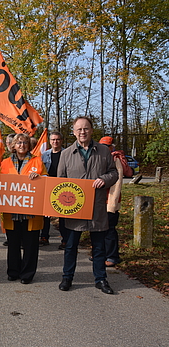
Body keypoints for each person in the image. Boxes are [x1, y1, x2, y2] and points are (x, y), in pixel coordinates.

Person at [57, 116, 118, 294]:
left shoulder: (104, 151)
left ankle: (100, 279)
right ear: (74, 132)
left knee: (99, 247)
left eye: (86, 129)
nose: (82, 132)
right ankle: (67, 277)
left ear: (91, 130)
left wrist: (104, 179)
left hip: (97, 207)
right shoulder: (66, 154)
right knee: (70, 246)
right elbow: (60, 182)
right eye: (79, 129)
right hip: (74, 208)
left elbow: (113, 173)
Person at [0, 133, 47, 284]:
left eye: (25, 142)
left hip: (31, 212)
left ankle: (27, 274)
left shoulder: (37, 161)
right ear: (13, 145)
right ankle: (13, 271)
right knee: (13, 244)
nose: (22, 145)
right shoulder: (5, 163)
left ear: (29, 145)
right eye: (19, 143)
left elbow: (47, 180)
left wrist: (39, 178)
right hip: (11, 212)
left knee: (30, 245)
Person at [40, 131, 70, 249]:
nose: (55, 142)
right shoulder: (45, 155)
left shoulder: (67, 154)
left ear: (61, 141)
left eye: (57, 139)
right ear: (50, 141)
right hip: (48, 187)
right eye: (53, 140)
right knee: (45, 214)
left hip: (62, 187)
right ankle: (44, 237)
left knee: (63, 215)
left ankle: (65, 239)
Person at [99, 136, 123, 267]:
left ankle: (112, 256)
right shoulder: (103, 159)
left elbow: (117, 184)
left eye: (106, 146)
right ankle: (102, 253)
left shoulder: (115, 159)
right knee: (100, 229)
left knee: (109, 230)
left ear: (111, 147)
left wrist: (112, 204)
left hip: (110, 202)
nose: (104, 149)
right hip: (101, 201)